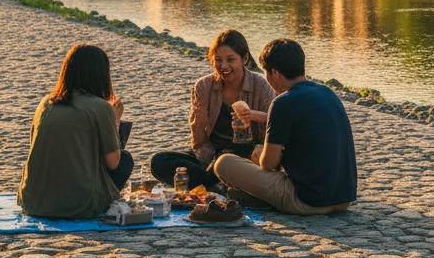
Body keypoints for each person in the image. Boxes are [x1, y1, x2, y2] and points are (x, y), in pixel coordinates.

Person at [213, 39, 357, 215]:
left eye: (266, 73)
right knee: (240, 187)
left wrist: (261, 153)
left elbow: (268, 163)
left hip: (308, 201)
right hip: (343, 199)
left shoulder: (282, 102)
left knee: (223, 163)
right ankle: (251, 197)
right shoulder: (327, 92)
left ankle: (257, 197)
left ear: (275, 72)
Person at [150, 30, 276, 191]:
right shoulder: (204, 86)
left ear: (244, 59)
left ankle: (217, 181)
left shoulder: (261, 85)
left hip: (247, 156)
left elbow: (277, 123)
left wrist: (255, 116)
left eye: (230, 60)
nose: (224, 66)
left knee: (242, 168)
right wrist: (206, 160)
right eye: (218, 60)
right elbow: (197, 131)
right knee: (159, 162)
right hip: (212, 153)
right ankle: (216, 182)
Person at [18, 45, 133, 219]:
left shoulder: (45, 103)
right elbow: (113, 163)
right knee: (125, 160)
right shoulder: (100, 107)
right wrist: (115, 118)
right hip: (79, 204)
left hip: (33, 201)